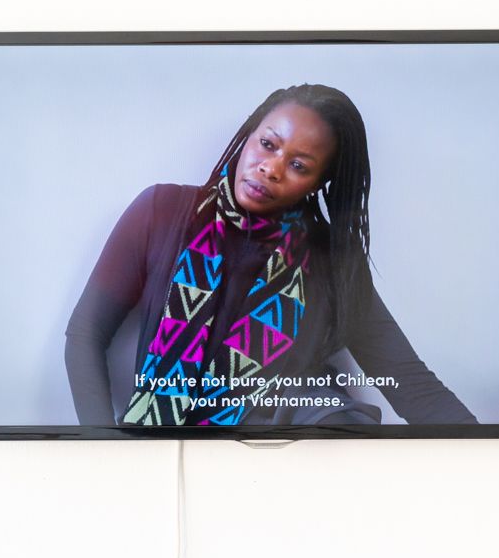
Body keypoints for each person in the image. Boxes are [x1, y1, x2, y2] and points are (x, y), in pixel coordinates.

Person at [64, 84, 476, 427]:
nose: (271, 169)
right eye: (267, 144)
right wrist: (106, 450)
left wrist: (495, 455)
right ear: (249, 134)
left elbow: (411, 385)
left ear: (318, 182)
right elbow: (86, 333)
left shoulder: (331, 261)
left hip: (291, 465)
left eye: (298, 165)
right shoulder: (162, 211)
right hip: (166, 454)